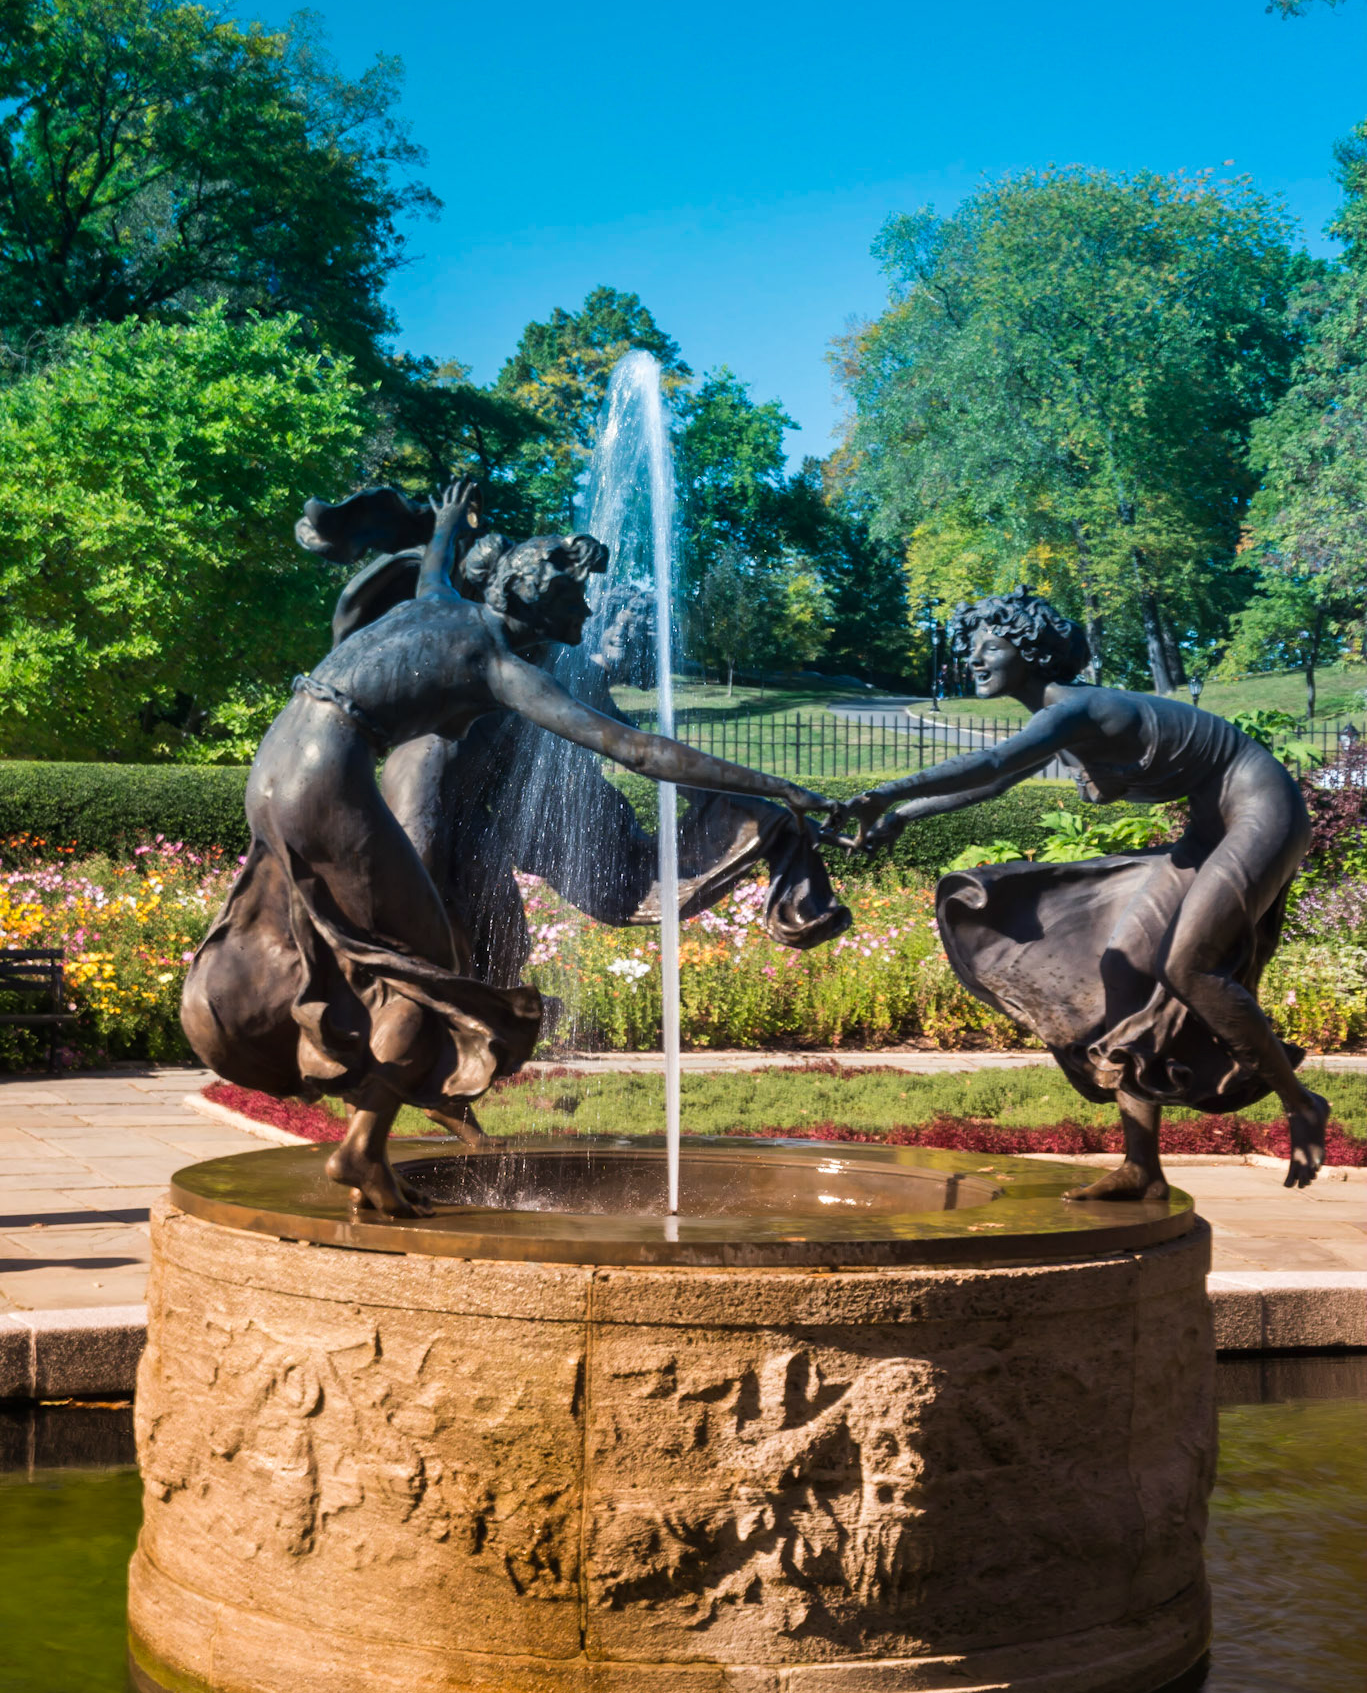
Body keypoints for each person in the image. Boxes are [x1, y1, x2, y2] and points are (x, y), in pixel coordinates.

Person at [182, 481, 832, 1215]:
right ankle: (361, 1151)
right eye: (575, 601)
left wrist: (449, 525)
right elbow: (635, 750)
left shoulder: (442, 604)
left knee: (411, 965)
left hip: (277, 759)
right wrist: (776, 786)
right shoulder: (497, 665)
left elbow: (434, 566)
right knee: (435, 977)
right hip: (327, 775)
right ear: (538, 605)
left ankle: (367, 1137)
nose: (585, 612)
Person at [834, 586, 1328, 1198]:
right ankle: (1141, 1167)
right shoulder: (1059, 719)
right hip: (1211, 825)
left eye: (993, 645)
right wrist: (905, 815)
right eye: (972, 647)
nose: (976, 658)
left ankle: (1299, 1102)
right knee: (1120, 972)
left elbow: (991, 764)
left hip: (1263, 810)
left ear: (1035, 655)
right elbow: (996, 784)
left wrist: (888, 792)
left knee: (1187, 967)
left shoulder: (1077, 709)